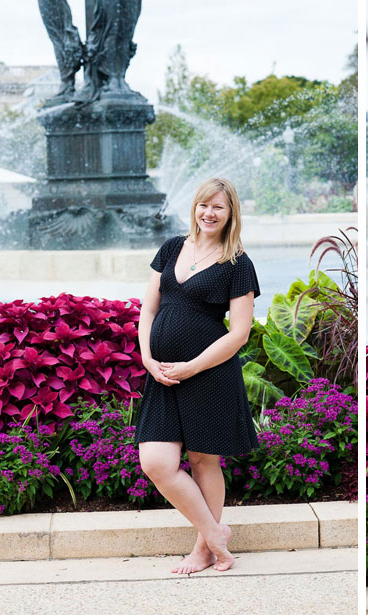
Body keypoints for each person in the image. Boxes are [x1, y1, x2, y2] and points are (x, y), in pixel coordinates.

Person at [135, 177, 260, 574]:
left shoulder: (237, 263)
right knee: (156, 462)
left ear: (230, 214)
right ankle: (215, 533)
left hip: (208, 372)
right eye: (204, 204)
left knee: (205, 460)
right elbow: (148, 310)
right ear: (195, 207)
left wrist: (192, 366)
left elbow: (239, 332)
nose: (209, 213)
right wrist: (147, 358)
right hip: (163, 373)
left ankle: (203, 549)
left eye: (218, 207)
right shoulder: (172, 247)